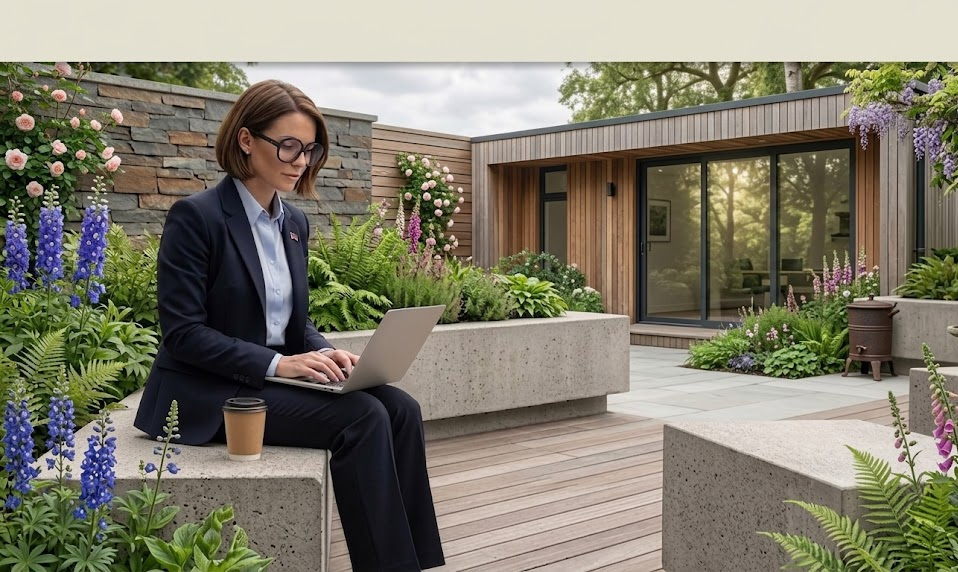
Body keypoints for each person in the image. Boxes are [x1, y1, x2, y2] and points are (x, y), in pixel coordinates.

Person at [133, 79, 446, 572]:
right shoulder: (196, 218)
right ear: (245, 140)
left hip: (266, 379)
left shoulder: (293, 222)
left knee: (401, 409)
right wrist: (280, 364)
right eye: (289, 146)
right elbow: (183, 334)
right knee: (363, 418)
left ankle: (416, 564)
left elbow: (292, 321)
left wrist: (324, 352)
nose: (301, 161)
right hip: (206, 389)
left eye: (310, 149)